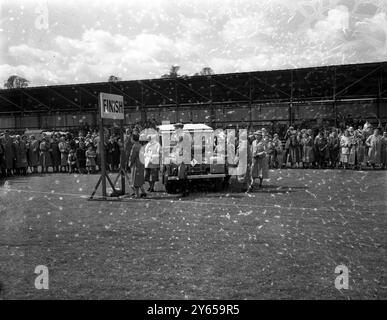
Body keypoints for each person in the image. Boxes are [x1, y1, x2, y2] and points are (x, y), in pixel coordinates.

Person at [128, 133, 146, 198]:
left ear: (133, 139)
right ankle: (143, 192)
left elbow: (132, 156)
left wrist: (130, 164)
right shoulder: (141, 145)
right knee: (139, 179)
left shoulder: (135, 146)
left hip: (136, 164)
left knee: (136, 180)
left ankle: (137, 195)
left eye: (131, 138)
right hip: (141, 164)